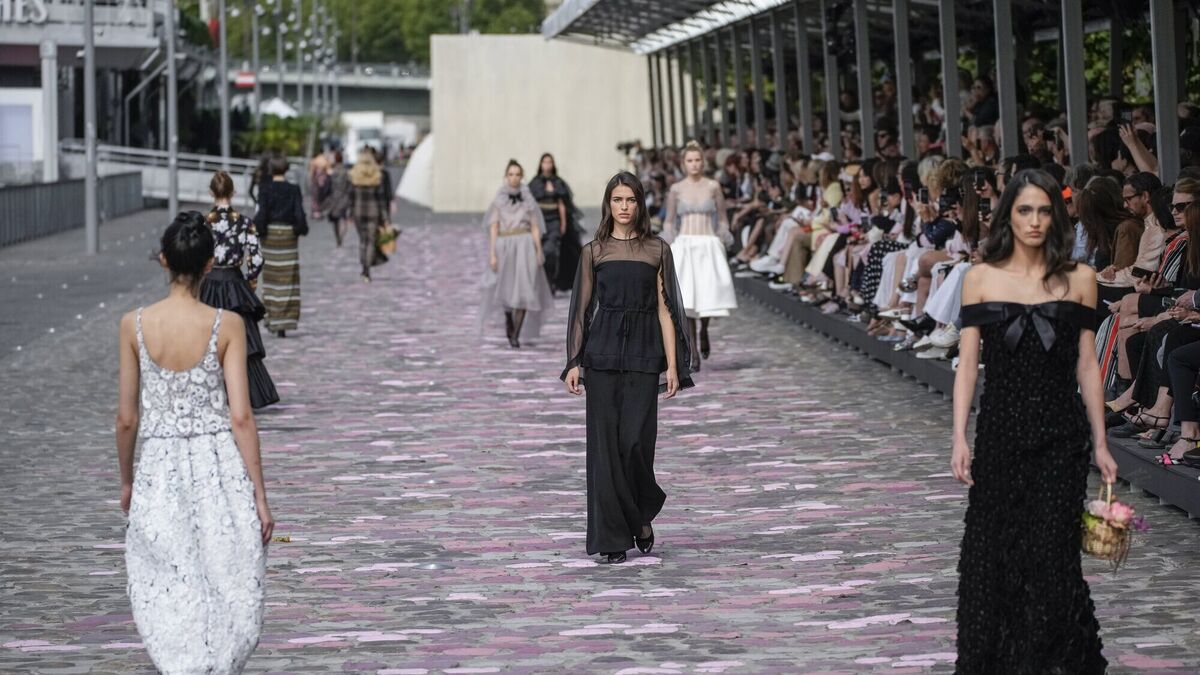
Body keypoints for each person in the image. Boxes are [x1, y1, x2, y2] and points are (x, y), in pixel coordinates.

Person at [951, 169, 1116, 673]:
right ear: (1008, 215)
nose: (1035, 220)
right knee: (993, 552)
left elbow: (1088, 364)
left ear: (1058, 216)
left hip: (1061, 437)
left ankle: (1052, 662)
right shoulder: (980, 278)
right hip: (1000, 433)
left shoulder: (1081, 278)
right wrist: (958, 436)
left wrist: (1101, 442)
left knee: (1053, 554)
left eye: (1045, 210)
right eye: (1025, 210)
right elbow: (968, 364)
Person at [117, 211, 273, 674]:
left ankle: (180, 663)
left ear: (163, 260)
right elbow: (241, 417)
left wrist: (126, 480)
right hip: (216, 461)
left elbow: (127, 419)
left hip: (159, 463)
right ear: (209, 265)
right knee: (226, 568)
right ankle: (217, 661)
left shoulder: (134, 324)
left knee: (169, 570)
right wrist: (260, 495)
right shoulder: (227, 325)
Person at [561, 171, 694, 564]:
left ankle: (640, 514)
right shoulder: (594, 251)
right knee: (604, 451)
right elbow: (581, 311)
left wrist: (673, 365)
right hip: (601, 355)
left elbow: (666, 311)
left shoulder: (657, 249)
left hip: (644, 354)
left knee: (635, 444)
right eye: (617, 200)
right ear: (608, 204)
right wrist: (574, 362)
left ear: (640, 204)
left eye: (630, 200)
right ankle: (613, 539)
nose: (624, 207)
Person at [200, 171, 279, 409]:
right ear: (233, 192)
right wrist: (250, 281)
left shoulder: (203, 223)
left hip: (210, 283)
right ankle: (245, 394)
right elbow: (257, 258)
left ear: (211, 192)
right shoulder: (245, 222)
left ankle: (209, 395)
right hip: (235, 284)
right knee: (241, 340)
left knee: (206, 339)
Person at [661, 140, 737, 372]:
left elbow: (723, 217)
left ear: (703, 162)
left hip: (707, 244)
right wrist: (671, 241)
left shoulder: (713, 186)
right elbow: (669, 220)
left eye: (697, 160)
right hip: (685, 245)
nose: (694, 164)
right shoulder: (676, 189)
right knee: (687, 299)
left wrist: (721, 236)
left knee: (707, 295)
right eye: (690, 161)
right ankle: (693, 351)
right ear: (683, 164)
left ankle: (704, 330)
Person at [481, 159, 555, 348]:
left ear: (522, 177)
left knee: (526, 287)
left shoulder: (528, 198)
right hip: (505, 245)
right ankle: (508, 317)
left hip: (525, 245)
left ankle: (515, 334)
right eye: (511, 174)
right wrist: (492, 253)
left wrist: (538, 250)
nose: (514, 178)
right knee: (506, 285)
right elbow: (493, 227)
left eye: (517, 174)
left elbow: (535, 226)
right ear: (506, 176)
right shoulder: (499, 199)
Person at [253, 152, 308, 338]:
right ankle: (285, 320)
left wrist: (259, 231)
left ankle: (273, 317)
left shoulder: (265, 188)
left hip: (270, 236)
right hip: (288, 236)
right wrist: (300, 229)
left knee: (271, 279)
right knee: (288, 279)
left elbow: (262, 213)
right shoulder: (293, 189)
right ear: (286, 169)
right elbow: (299, 213)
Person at [528, 152, 583, 294]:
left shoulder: (558, 182)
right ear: (540, 164)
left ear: (553, 165)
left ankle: (551, 281)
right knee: (538, 253)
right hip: (540, 221)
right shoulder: (535, 183)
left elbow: (561, 204)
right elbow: (531, 205)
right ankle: (541, 284)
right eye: (545, 162)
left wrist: (563, 223)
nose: (547, 165)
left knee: (551, 252)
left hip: (554, 221)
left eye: (549, 162)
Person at [347, 150, 390, 282]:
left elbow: (351, 198)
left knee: (362, 241)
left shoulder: (354, 177)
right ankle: (366, 270)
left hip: (358, 212)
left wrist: (350, 214)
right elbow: (381, 201)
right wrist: (386, 218)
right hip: (373, 212)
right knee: (371, 241)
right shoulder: (377, 177)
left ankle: (364, 267)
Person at [324, 150, 351, 247]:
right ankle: (341, 236)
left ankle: (337, 238)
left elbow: (327, 187)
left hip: (334, 198)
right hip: (344, 198)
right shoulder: (346, 171)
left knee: (335, 221)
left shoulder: (331, 172)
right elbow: (350, 186)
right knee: (344, 219)